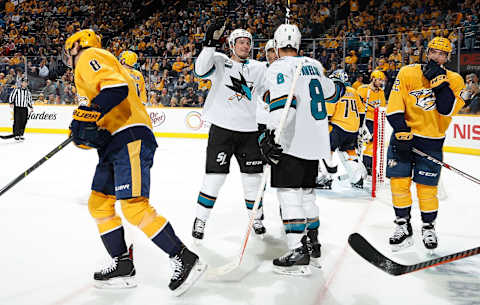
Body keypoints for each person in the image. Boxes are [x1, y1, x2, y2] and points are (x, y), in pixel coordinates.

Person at [63, 29, 206, 295]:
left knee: (133, 206)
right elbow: (98, 120)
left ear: (76, 47)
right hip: (114, 141)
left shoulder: (89, 55)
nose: (67, 56)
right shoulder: (86, 71)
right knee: (99, 203)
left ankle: (184, 257)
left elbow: (116, 88)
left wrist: (90, 114)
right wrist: (83, 131)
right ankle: (122, 264)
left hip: (129, 136)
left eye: (68, 50)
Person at [260, 23, 344, 275]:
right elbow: (332, 94)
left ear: (276, 45)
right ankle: (313, 243)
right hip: (316, 141)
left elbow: (286, 103)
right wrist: (340, 82)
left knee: (289, 194)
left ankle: (298, 249)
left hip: (292, 140)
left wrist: (273, 136)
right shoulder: (314, 65)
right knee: (307, 194)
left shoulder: (279, 66)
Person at [385, 37, 465, 252]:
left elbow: (447, 109)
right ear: (427, 52)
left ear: (448, 58)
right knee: (398, 184)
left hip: (432, 141)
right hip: (404, 137)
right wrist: (401, 130)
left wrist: (439, 82)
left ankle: (428, 227)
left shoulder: (456, 80)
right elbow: (393, 106)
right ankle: (402, 225)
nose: (437, 57)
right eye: (434, 52)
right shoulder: (407, 72)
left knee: (427, 189)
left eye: (442, 54)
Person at [192, 20, 267, 242]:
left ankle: (257, 218)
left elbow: (268, 95)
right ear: (231, 45)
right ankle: (200, 219)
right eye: (241, 42)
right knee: (214, 179)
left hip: (250, 133)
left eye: (248, 43)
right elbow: (199, 70)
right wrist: (209, 44)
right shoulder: (219, 61)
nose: (245, 46)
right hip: (222, 132)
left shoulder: (259, 68)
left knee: (253, 181)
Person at [316, 69, 366, 190]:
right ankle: (357, 179)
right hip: (353, 129)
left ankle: (324, 178)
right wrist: (358, 127)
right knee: (348, 152)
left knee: (325, 150)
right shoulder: (353, 91)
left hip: (337, 127)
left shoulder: (335, 91)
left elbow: (328, 113)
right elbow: (361, 111)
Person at [356, 70, 387, 175]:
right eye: (379, 80)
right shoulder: (363, 89)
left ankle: (367, 164)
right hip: (365, 119)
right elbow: (357, 104)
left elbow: (382, 107)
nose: (381, 82)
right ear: (373, 78)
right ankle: (357, 165)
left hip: (376, 120)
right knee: (365, 141)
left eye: (382, 80)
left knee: (373, 142)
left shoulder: (381, 92)